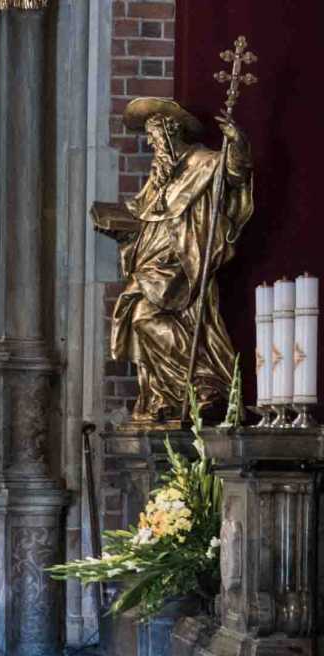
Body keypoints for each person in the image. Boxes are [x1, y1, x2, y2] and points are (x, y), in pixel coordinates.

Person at [95, 97, 254, 423]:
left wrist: (238, 144)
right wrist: (116, 224)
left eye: (154, 138)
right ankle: (170, 394)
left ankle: (203, 382)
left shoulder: (205, 163)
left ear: (171, 132)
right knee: (139, 317)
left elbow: (235, 176)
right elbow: (140, 212)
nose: (152, 146)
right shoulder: (160, 178)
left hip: (184, 263)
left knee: (141, 315)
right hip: (151, 263)